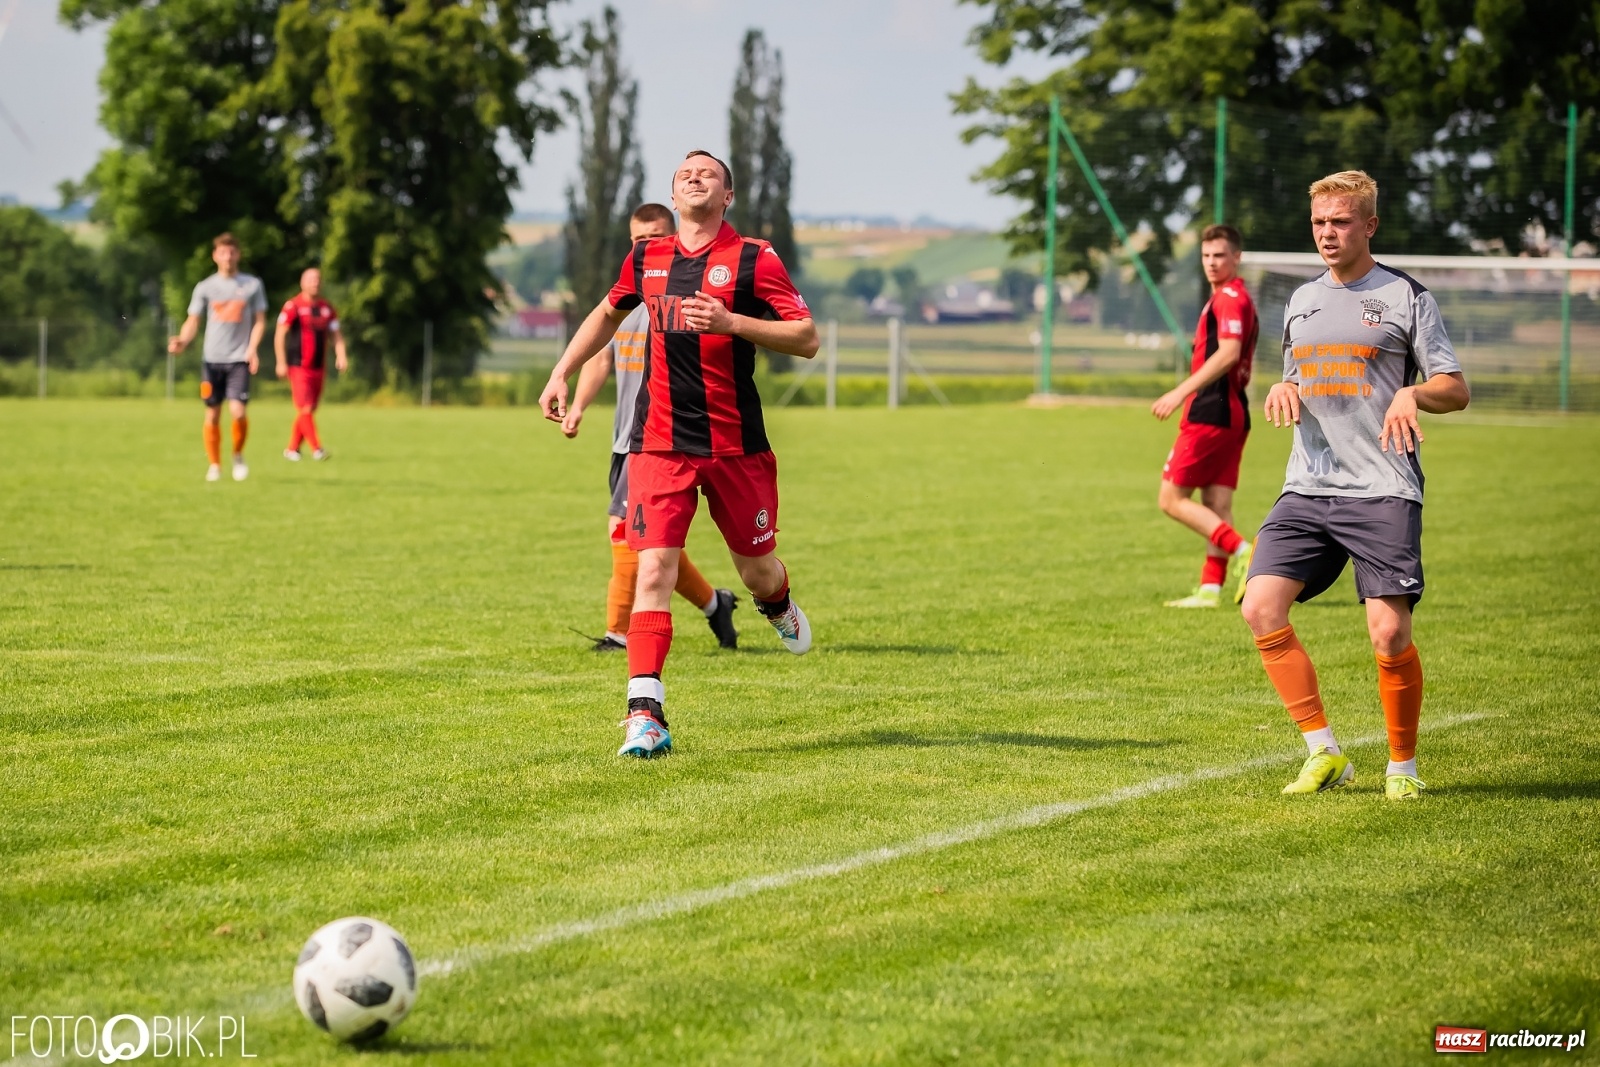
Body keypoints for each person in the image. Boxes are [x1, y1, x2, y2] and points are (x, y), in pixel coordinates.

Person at [539, 150, 819, 758]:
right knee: (654, 569)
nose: (695, 176)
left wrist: (732, 322)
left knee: (757, 569)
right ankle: (646, 715)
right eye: (685, 172)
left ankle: (775, 605)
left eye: (708, 172)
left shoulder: (754, 258)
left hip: (735, 445)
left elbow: (807, 338)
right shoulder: (647, 256)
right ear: (672, 193)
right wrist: (561, 370)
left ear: (728, 196)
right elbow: (604, 317)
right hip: (658, 443)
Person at [1240, 170, 1470, 801]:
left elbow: (1455, 387)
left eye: (1340, 221)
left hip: (1383, 486)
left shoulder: (1406, 297)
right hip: (1308, 485)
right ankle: (1325, 752)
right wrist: (1282, 385)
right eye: (1319, 222)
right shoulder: (1301, 300)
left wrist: (1413, 392)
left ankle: (1403, 768)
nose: (1327, 233)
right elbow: (1292, 375)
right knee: (1260, 606)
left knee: (1389, 634)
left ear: (1370, 225)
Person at [559, 202, 740, 654]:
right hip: (625, 437)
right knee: (651, 542)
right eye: (639, 240)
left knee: (624, 532)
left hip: (660, 440)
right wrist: (579, 406)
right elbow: (602, 359)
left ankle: (619, 634)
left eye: (656, 237)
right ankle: (715, 604)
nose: (647, 246)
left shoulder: (681, 298)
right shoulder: (626, 299)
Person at [1152, 224, 1259, 607]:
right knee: (1217, 503)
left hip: (1210, 410)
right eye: (1206, 256)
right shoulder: (1234, 296)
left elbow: (1229, 352)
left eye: (1220, 256)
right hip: (1233, 413)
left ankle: (1246, 552)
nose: (1212, 263)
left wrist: (1181, 392)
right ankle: (1211, 588)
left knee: (1171, 499)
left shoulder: (1230, 298)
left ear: (1236, 257)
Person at [168, 233, 267, 482]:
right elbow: (193, 320)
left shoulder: (252, 285)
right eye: (223, 252)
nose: (228, 257)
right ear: (215, 256)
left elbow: (260, 321)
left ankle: (237, 455)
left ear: (238, 254)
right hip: (212, 359)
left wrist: (252, 348)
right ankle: (214, 464)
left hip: (239, 359)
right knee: (212, 414)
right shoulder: (205, 287)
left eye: (232, 252)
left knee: (238, 412)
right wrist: (183, 339)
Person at [274, 266, 349, 462]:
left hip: (318, 366)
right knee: (305, 408)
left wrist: (341, 356)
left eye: (317, 279)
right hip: (298, 366)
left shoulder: (326, 308)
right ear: (302, 282)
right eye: (310, 279)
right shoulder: (294, 306)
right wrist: (281, 362)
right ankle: (317, 449)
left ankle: (292, 449)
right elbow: (280, 334)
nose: (315, 283)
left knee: (309, 409)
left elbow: (336, 335)